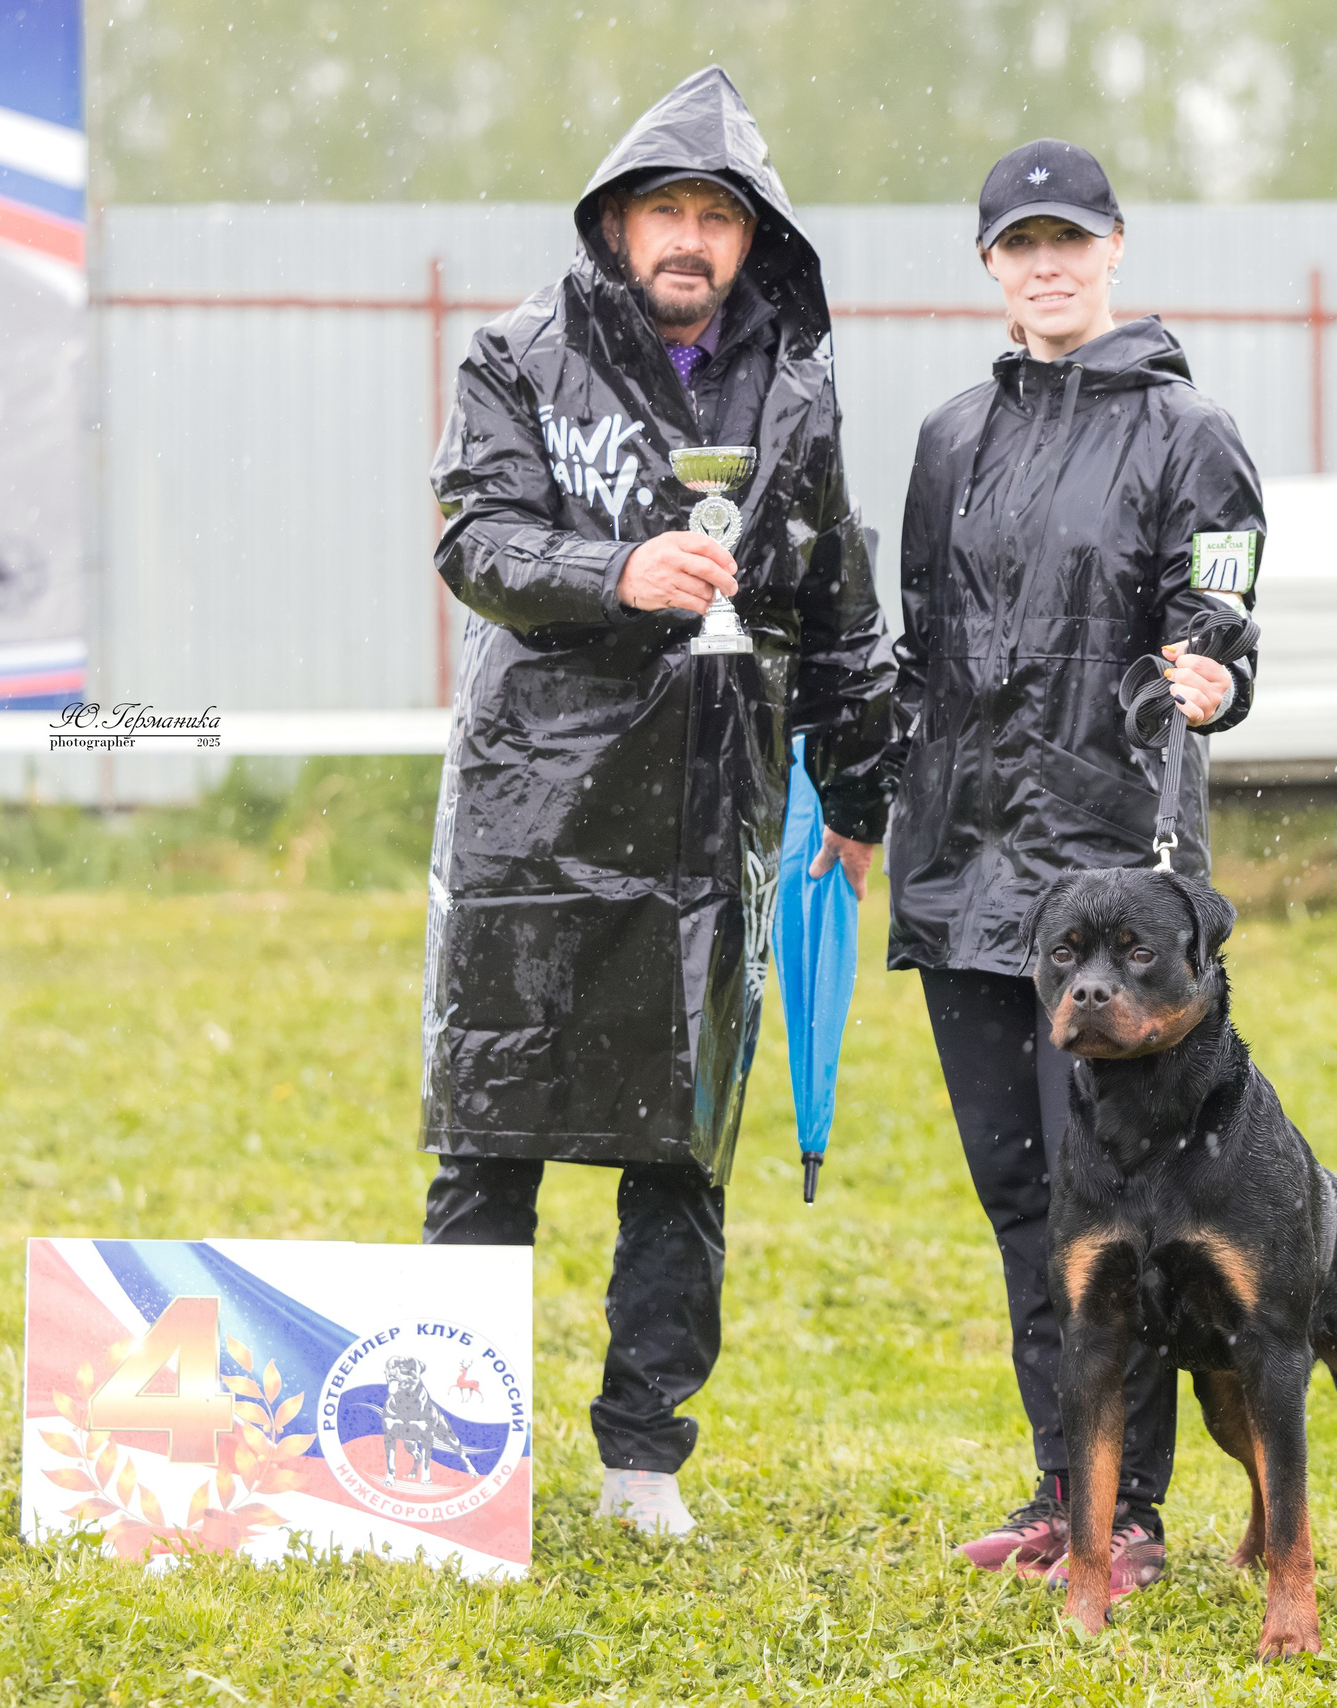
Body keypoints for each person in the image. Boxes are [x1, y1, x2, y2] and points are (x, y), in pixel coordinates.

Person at [418, 66, 891, 1539]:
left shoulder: (795, 389)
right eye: (665, 211)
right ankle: (453, 1446)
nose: (690, 238)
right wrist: (615, 573)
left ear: (754, 241)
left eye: (717, 216)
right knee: (489, 1137)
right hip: (532, 817)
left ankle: (643, 1462)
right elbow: (478, 539)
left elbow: (835, 599)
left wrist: (857, 791)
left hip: (708, 818)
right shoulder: (516, 354)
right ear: (616, 224)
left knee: (681, 1152)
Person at [885, 139, 1267, 1599]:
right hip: (963, 878)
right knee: (1022, 1199)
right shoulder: (949, 439)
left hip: (1108, 895)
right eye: (1019, 244)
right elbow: (922, 647)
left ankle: (1135, 1514)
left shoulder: (1190, 433)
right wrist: (866, 795)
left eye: (1069, 240)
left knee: (1119, 1208)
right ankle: (1062, 1491)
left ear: (1115, 248)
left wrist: (1214, 680)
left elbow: (1218, 614)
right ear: (989, 264)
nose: (1046, 266)